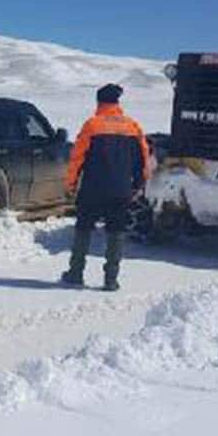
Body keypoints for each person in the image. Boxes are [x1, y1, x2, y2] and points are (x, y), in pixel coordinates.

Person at [60, 83, 150, 292]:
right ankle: (111, 279)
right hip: (120, 189)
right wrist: (138, 183)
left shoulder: (92, 125)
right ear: (117, 102)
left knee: (83, 229)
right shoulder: (133, 126)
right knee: (116, 231)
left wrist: (71, 184)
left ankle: (75, 273)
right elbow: (143, 158)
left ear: (99, 102)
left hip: (92, 188)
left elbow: (77, 158)